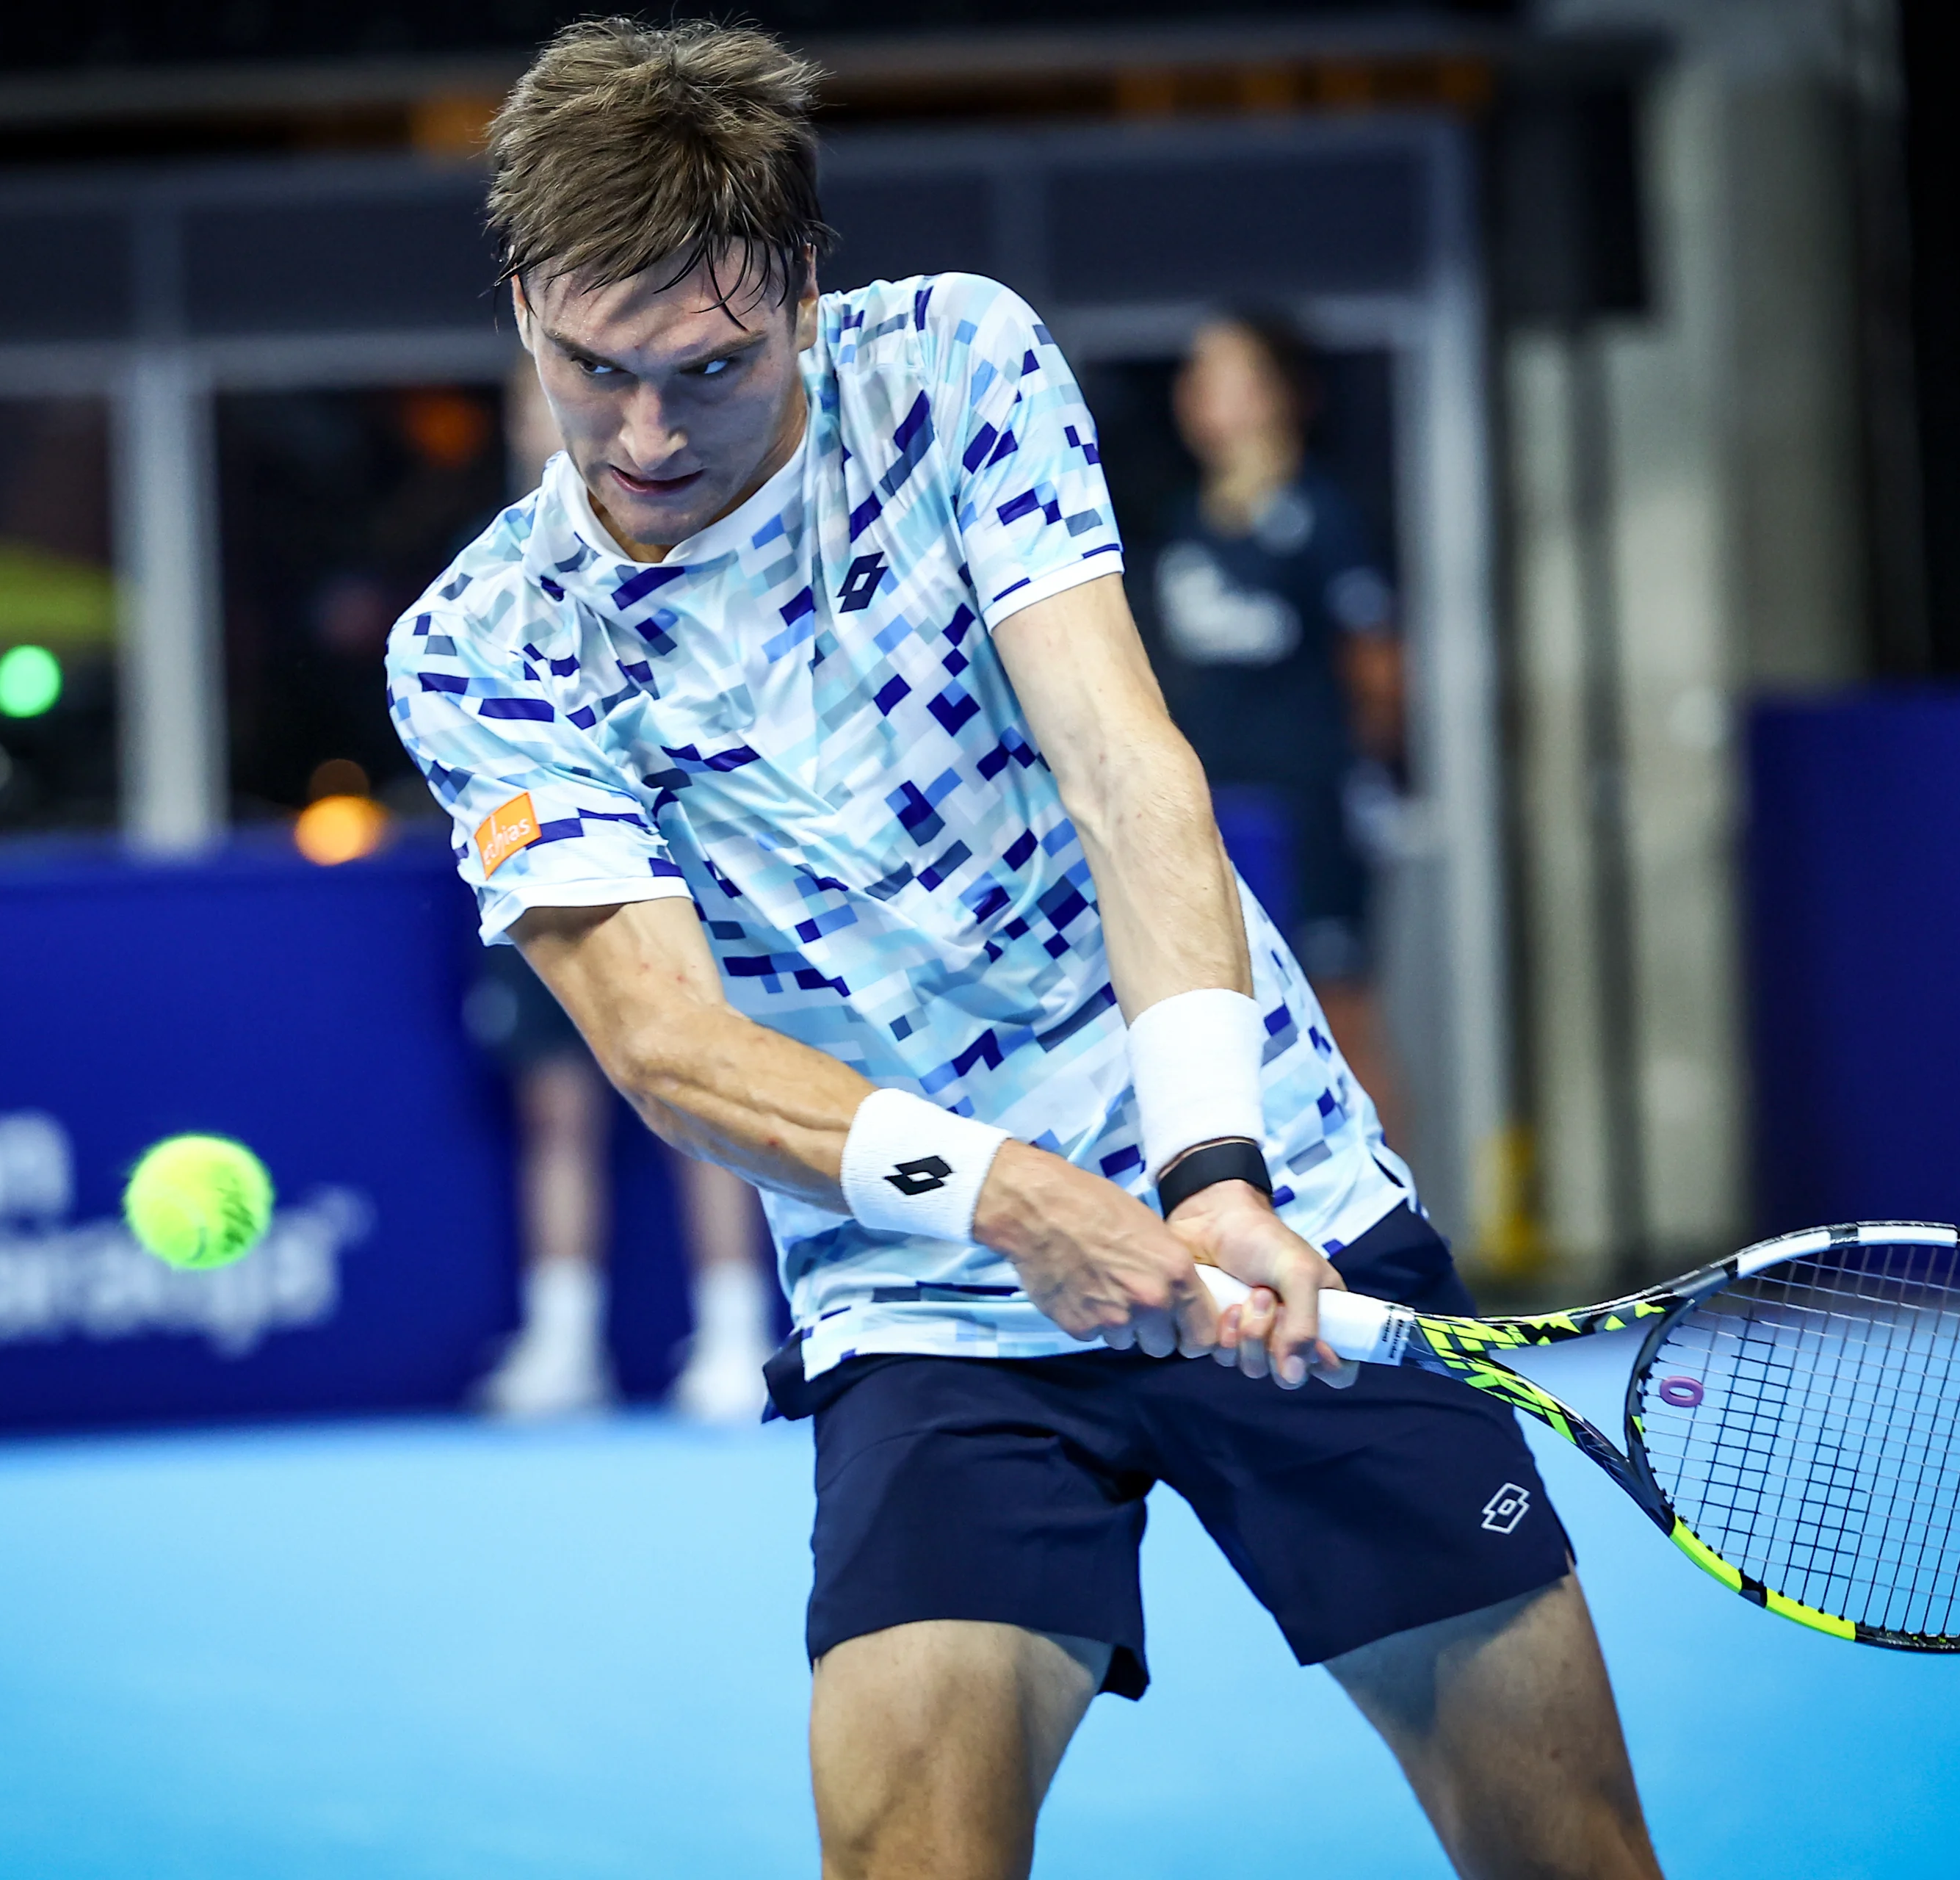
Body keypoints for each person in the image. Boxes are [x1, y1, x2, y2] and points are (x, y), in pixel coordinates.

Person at [388, 21, 1662, 1879]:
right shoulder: (484, 645)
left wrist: (1211, 1160)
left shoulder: (953, 364)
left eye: (709, 372)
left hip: (1259, 1197)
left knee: (1567, 1855)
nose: (646, 435)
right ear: (520, 305)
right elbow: (664, 1046)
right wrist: (1000, 1196)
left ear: (805, 292)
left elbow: (1124, 763)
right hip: (927, 1303)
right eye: (594, 373)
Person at [466, 358, 778, 1425]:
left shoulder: (685, 537)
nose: (539, 426)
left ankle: (737, 1337)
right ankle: (563, 1344)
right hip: (544, 863)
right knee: (554, 1107)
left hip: (684, 860)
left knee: (711, 1092)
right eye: (524, 407)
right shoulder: (483, 588)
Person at [1151, 311, 1407, 1141]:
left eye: (1228, 374)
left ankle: (1393, 1236)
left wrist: (1360, 774)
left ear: (1280, 395)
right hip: (1215, 809)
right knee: (1219, 1017)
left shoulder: (1321, 517)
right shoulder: (1182, 524)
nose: (1203, 397)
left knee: (1339, 1012)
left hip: (1308, 804)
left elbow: (1376, 666)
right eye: (1196, 377)